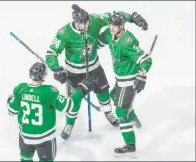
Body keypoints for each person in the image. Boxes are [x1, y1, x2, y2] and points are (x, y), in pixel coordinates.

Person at [45, 4, 148, 140]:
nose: (86, 27)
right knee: (74, 101)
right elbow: (51, 52)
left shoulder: (95, 19)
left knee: (104, 92)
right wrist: (56, 69)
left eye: (87, 23)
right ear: (75, 23)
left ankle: (108, 113)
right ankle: (69, 124)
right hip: (74, 73)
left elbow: (114, 16)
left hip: (94, 68)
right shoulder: (64, 32)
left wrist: (133, 17)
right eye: (82, 25)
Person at [7, 62, 95, 162]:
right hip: (45, 139)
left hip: (25, 137)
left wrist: (10, 98)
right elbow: (69, 105)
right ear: (44, 75)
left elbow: (11, 111)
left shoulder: (20, 89)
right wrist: (81, 90)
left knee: (25, 159)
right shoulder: (49, 92)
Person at [98, 12, 152, 157]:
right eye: (111, 25)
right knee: (113, 96)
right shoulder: (109, 34)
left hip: (128, 81)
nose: (112, 28)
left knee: (121, 113)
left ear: (122, 26)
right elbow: (97, 43)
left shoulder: (128, 41)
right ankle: (132, 117)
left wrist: (142, 75)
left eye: (116, 26)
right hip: (119, 79)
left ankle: (130, 145)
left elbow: (146, 60)